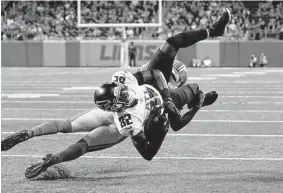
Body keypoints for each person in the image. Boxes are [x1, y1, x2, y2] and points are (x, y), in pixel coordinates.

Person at [2, 8, 230, 178]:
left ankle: (33, 136)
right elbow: (158, 83)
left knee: (69, 127)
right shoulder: (147, 92)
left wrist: (183, 109)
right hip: (128, 118)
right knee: (83, 141)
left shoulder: (129, 86)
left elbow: (155, 139)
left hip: (124, 119)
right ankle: (53, 156)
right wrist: (175, 108)